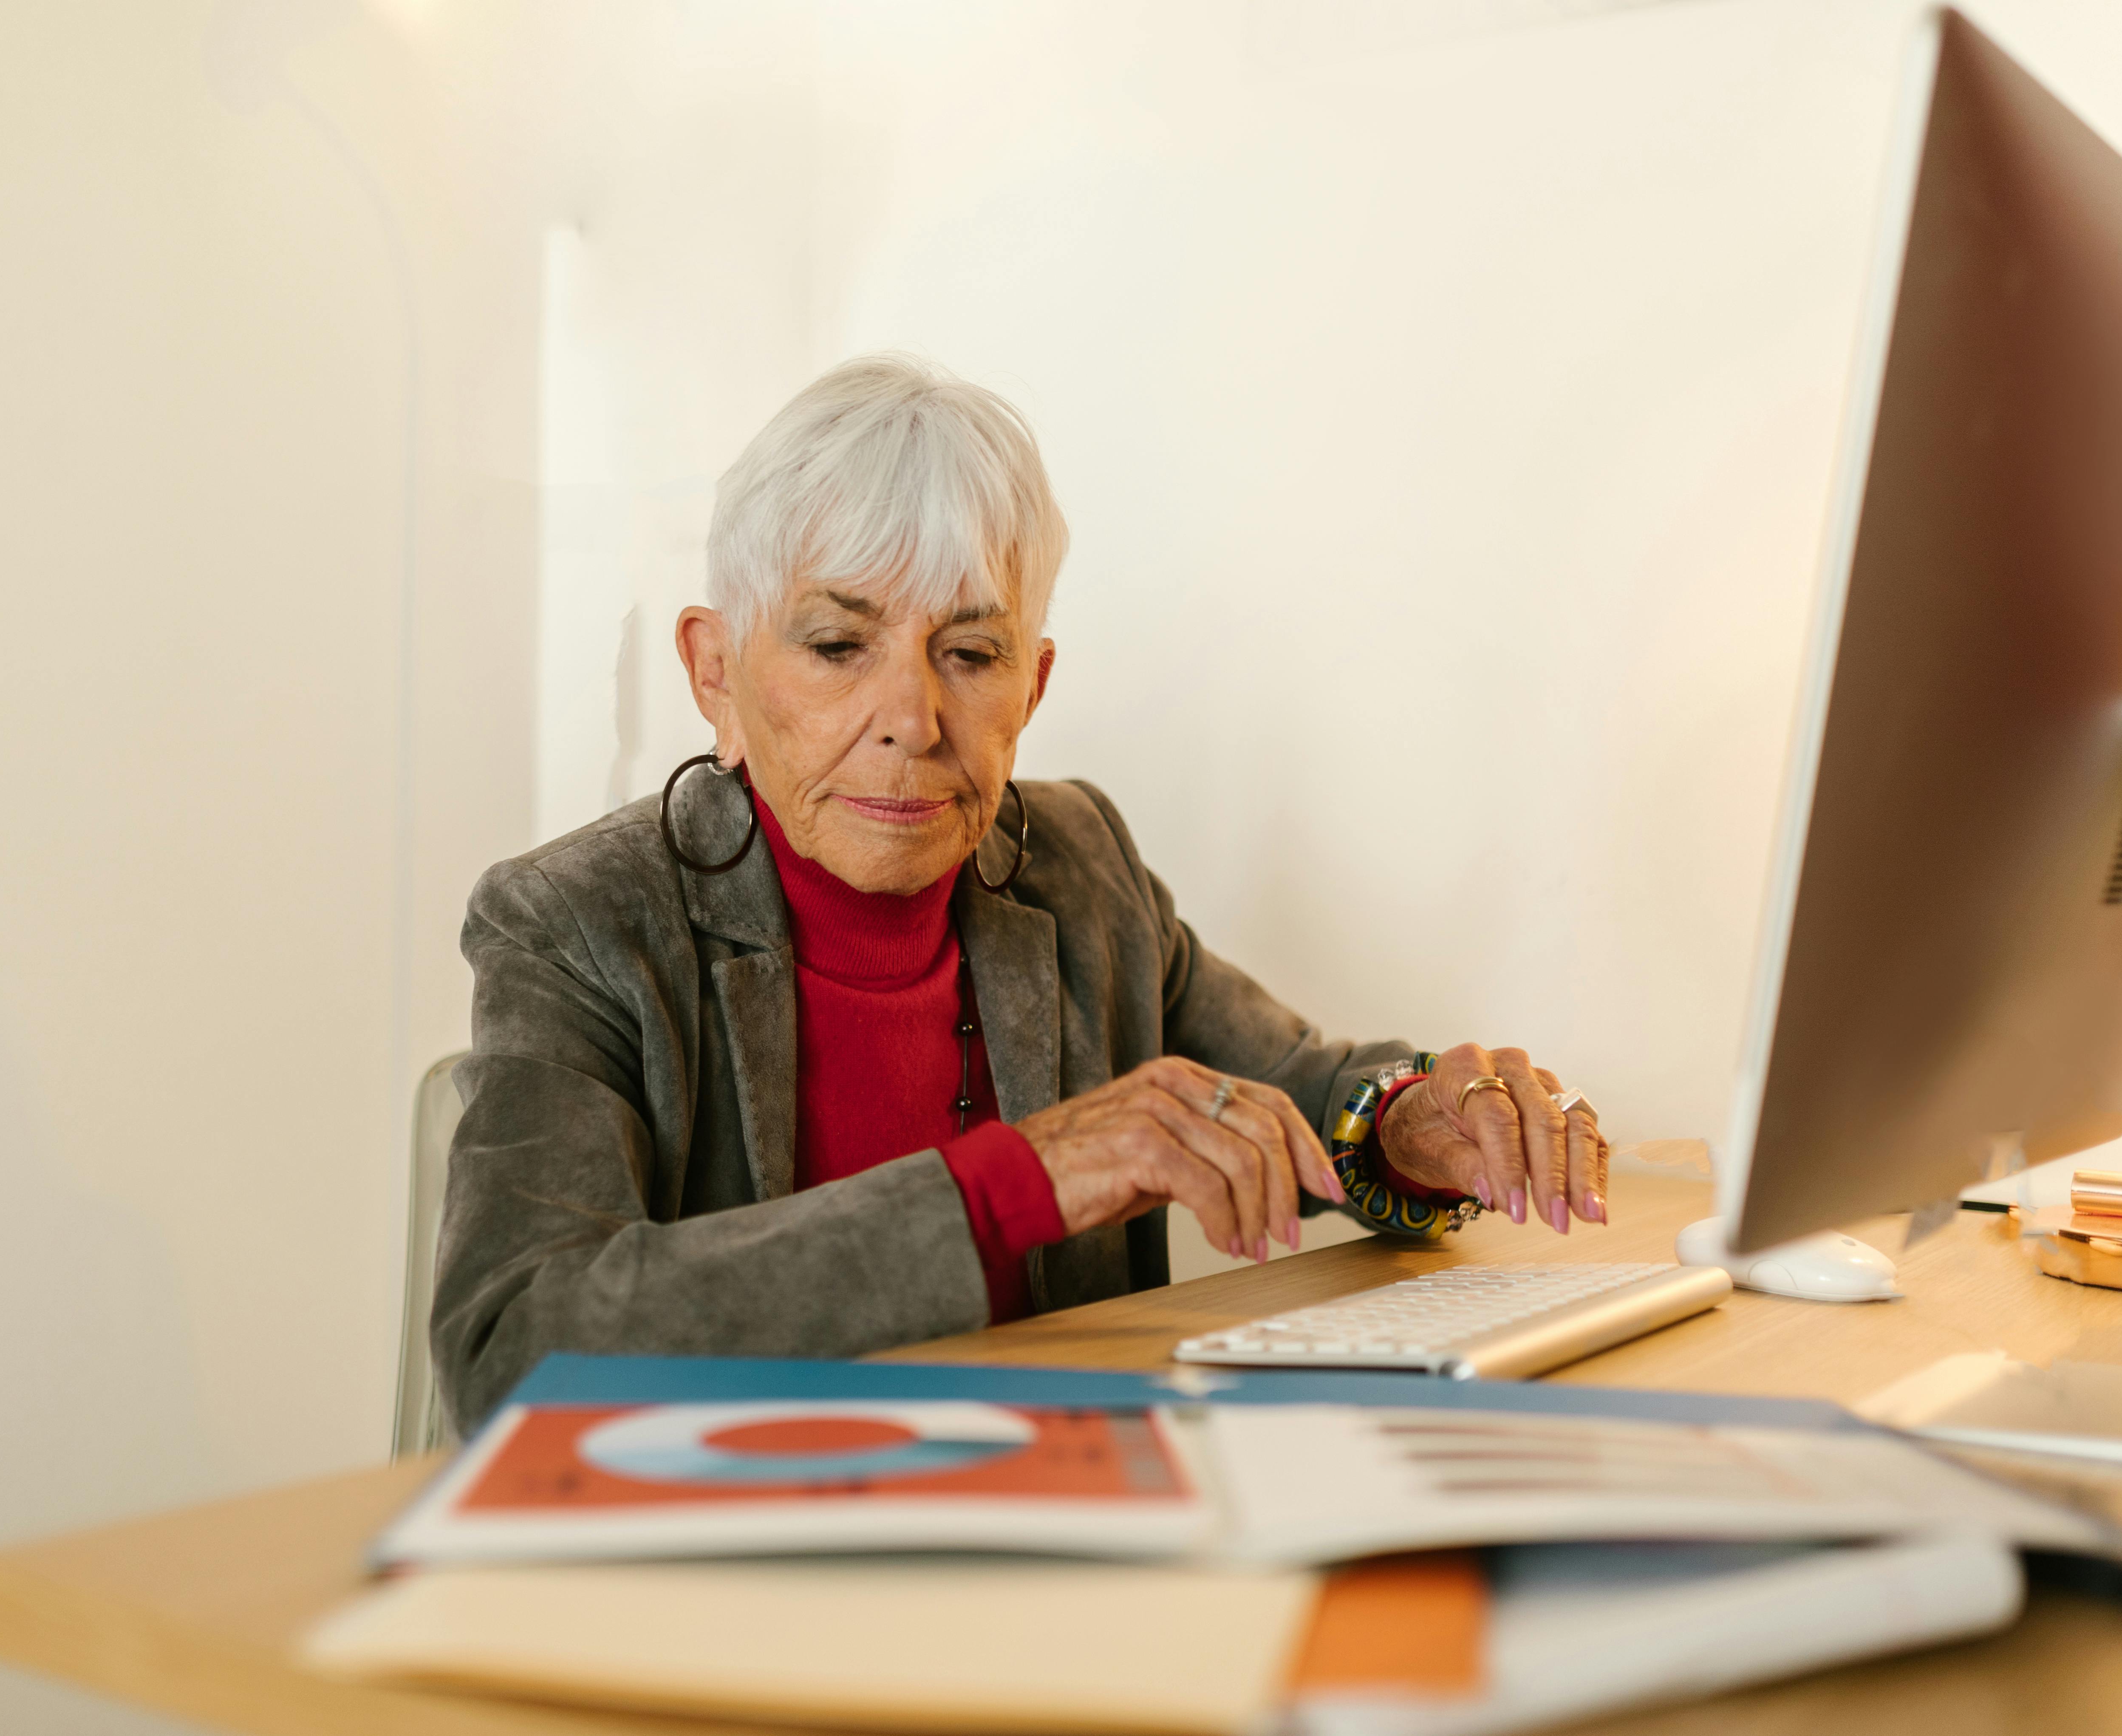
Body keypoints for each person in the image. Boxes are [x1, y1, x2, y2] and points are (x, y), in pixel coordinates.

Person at [432, 355, 1608, 1432]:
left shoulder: (1079, 864)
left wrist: (1414, 1128)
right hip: (745, 1540)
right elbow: (513, 1347)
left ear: (1032, 685)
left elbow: (1306, 1101)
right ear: (716, 672)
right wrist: (1019, 1179)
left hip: (1074, 1516)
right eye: (839, 647)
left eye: (972, 655)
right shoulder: (575, 920)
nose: (911, 720)